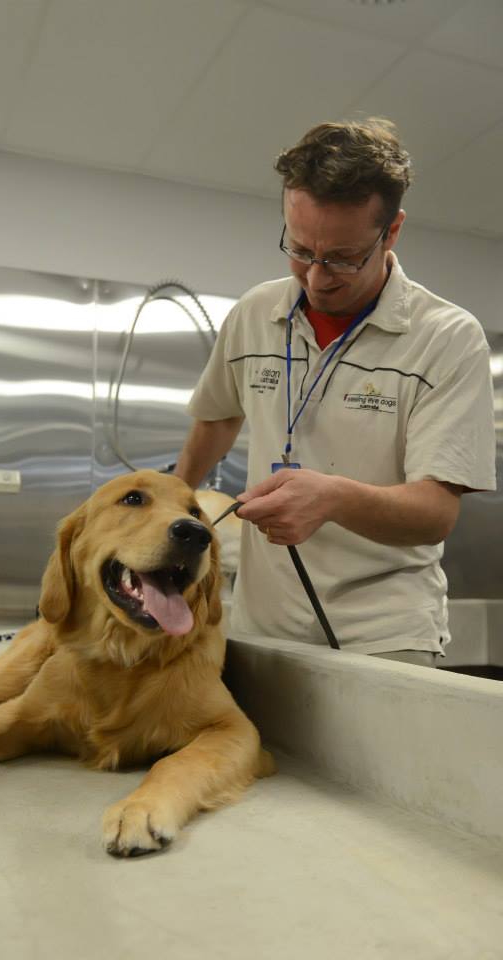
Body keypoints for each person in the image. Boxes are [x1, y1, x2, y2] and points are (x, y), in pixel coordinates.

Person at [174, 117, 496, 666]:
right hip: (262, 624)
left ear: (391, 232)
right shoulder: (255, 313)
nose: (317, 278)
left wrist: (332, 498)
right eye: (299, 250)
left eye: (344, 258)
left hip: (385, 633)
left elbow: (435, 512)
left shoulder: (447, 337)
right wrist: (169, 500)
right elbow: (218, 417)